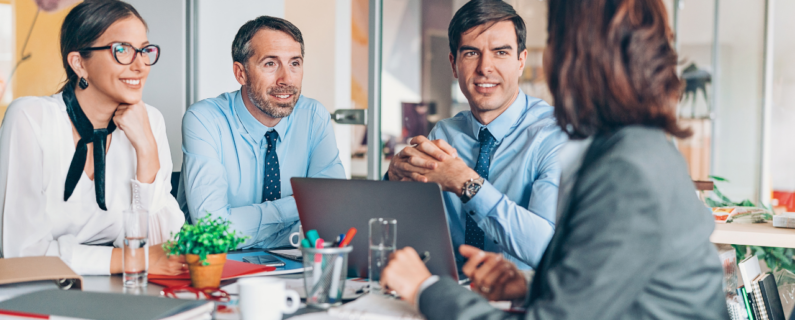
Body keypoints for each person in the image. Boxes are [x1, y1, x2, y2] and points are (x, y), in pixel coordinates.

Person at [380, 0, 729, 318]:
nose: (553, 60)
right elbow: (603, 281)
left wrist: (425, 289)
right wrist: (532, 286)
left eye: (559, 42)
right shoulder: (633, 148)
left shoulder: (625, 169)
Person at [0, 0, 186, 276]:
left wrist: (147, 153)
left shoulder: (149, 121)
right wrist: (129, 260)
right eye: (121, 50)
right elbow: (23, 252)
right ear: (79, 64)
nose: (140, 65)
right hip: (40, 294)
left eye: (144, 50)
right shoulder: (31, 118)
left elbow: (162, 248)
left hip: (122, 294)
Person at [386, 0, 566, 270]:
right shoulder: (444, 134)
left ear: (521, 61)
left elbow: (548, 249)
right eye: (471, 53)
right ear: (454, 64)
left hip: (517, 300)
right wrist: (393, 181)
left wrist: (466, 182)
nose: (485, 67)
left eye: (501, 52)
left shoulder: (554, 135)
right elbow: (411, 230)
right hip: (446, 291)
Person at [178, 16, 345, 249]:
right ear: (241, 73)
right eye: (270, 64)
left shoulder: (313, 117)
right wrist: (301, 206)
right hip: (216, 269)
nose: (286, 79)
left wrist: (240, 224)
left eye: (294, 63)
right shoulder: (205, 119)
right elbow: (212, 232)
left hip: (295, 268)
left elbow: (334, 215)